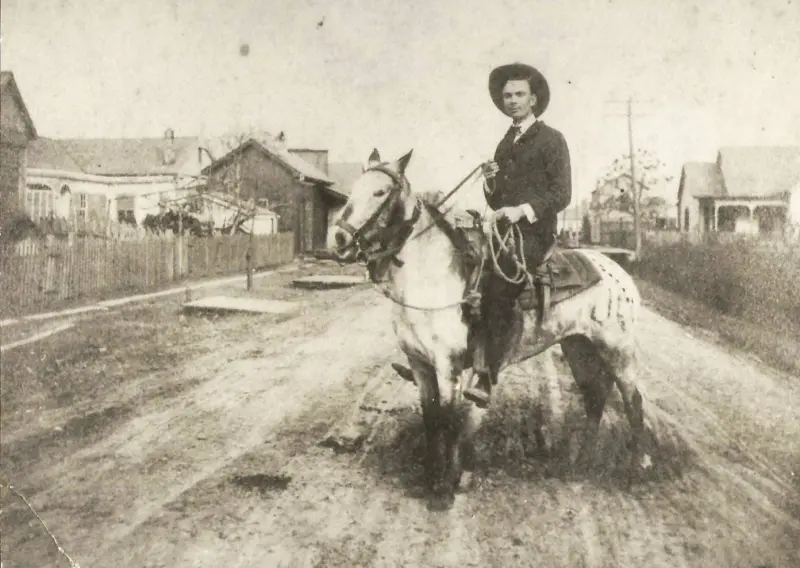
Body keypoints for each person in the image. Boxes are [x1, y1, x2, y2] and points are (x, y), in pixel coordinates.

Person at [462, 62, 572, 408]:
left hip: (534, 234)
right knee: (463, 273)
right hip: (503, 231)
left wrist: (522, 210)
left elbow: (562, 194)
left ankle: (486, 374)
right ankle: (456, 355)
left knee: (497, 291)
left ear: (533, 100)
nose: (512, 100)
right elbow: (497, 202)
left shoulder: (552, 140)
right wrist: (490, 181)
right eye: (507, 95)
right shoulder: (504, 143)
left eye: (519, 94)